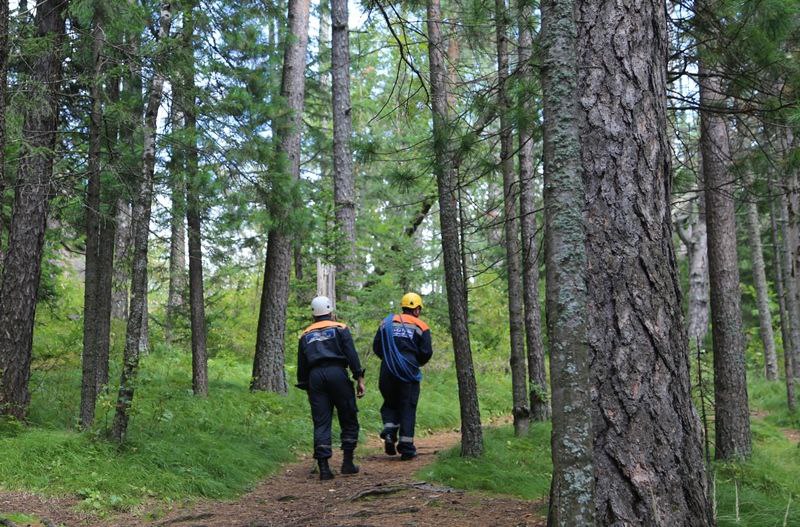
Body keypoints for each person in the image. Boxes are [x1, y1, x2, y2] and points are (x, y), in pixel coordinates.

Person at [296, 296, 366, 480]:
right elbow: (351, 354)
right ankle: (347, 462)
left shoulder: (305, 334)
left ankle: (324, 468)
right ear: (330, 311)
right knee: (348, 415)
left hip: (315, 377)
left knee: (321, 421)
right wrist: (359, 377)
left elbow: (302, 364)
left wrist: (307, 386)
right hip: (337, 374)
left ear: (313, 313)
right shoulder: (340, 328)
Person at [372, 292, 433, 460]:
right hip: (408, 369)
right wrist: (414, 362)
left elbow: (377, 346)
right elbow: (427, 352)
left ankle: (390, 432)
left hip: (387, 369)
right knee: (407, 405)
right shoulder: (421, 326)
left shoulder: (386, 322)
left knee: (390, 402)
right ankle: (406, 447)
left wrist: (388, 360)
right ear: (417, 309)